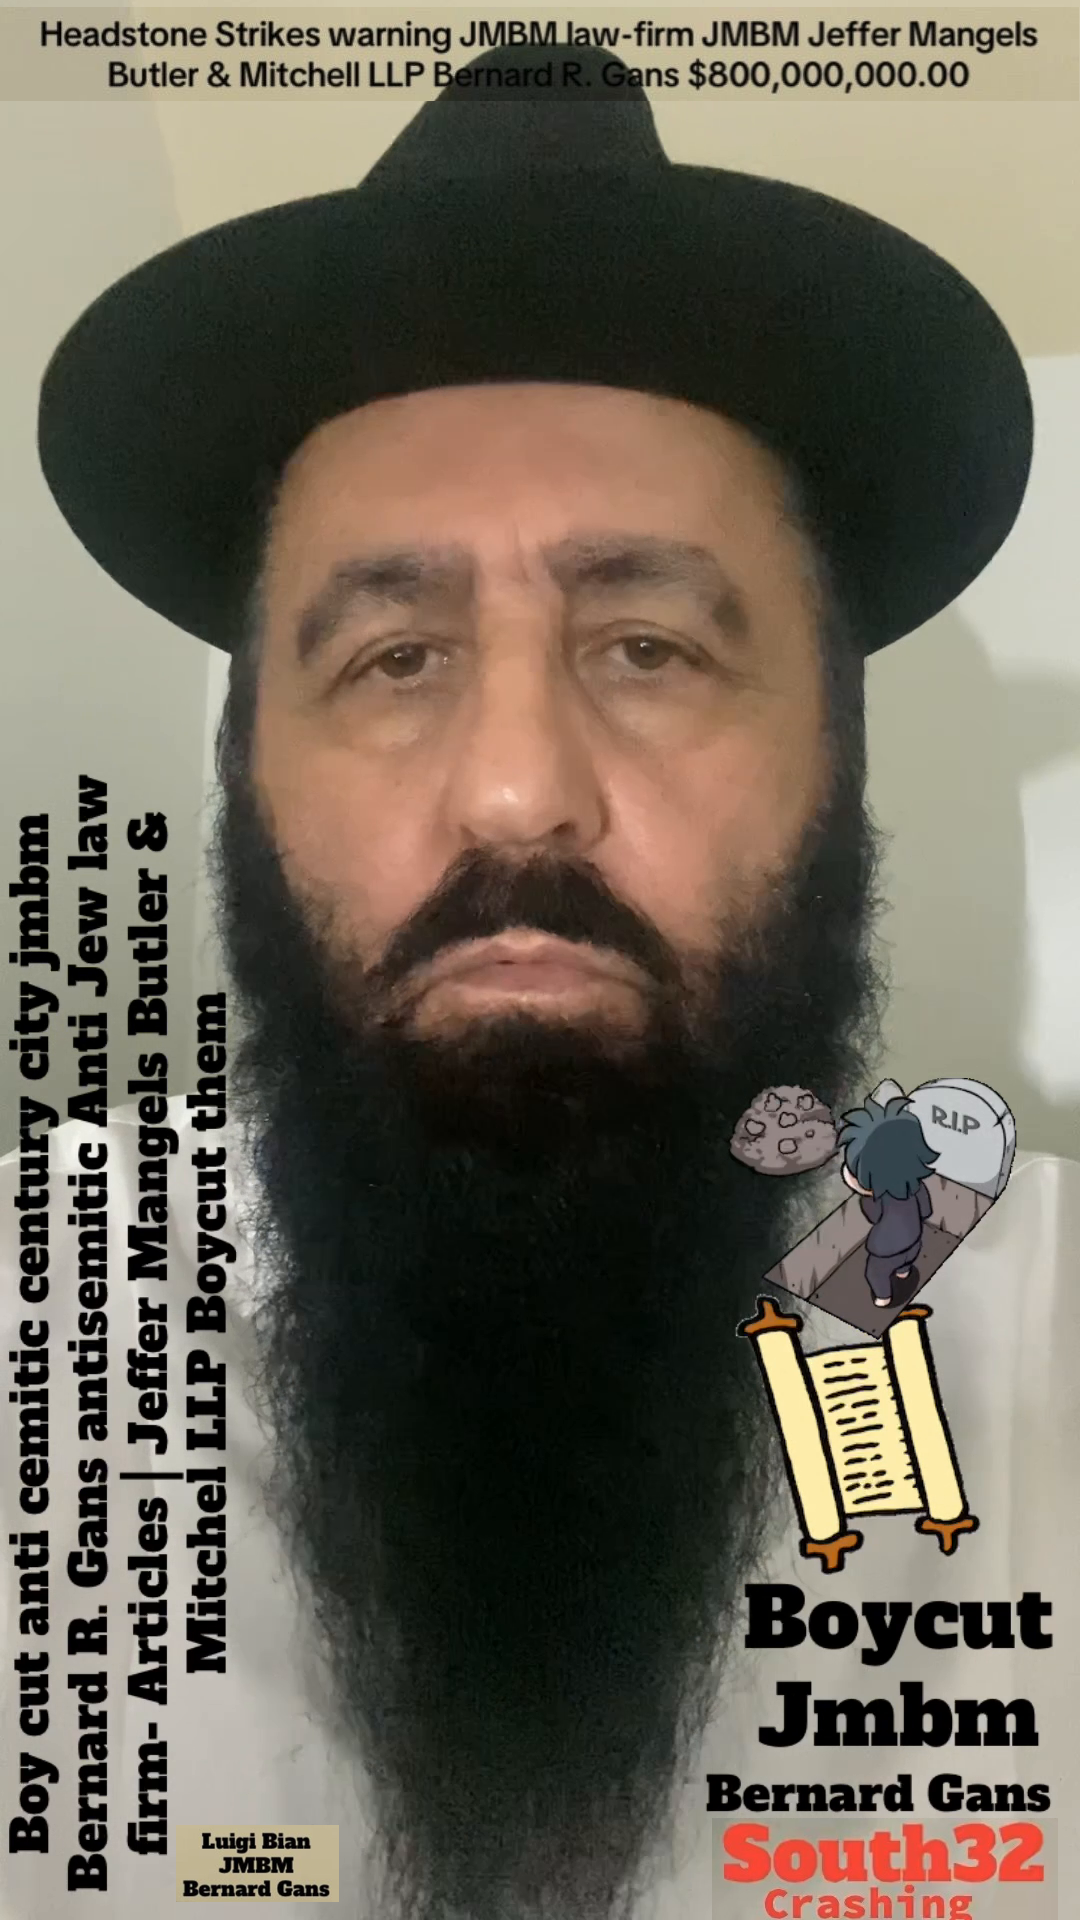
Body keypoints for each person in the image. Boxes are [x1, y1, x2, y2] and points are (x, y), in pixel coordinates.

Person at [5, 44, 1079, 1920]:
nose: (517, 794)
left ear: (836, 765)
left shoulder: (1043, 1364)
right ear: (249, 774)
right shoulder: (46, 1333)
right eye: (394, 658)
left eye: (650, 646)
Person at [838, 1095, 939, 1307]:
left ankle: (883, 1297)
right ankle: (904, 1272)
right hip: (914, 1239)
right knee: (906, 1259)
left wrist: (866, 1197)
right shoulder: (915, 1185)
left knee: (875, 1273)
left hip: (886, 1250)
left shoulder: (877, 1199)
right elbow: (926, 1210)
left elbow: (874, 1217)